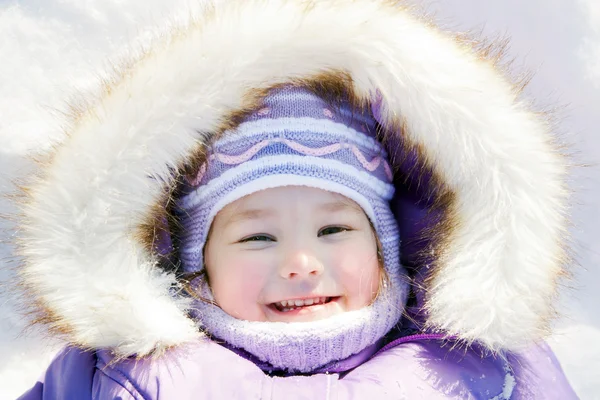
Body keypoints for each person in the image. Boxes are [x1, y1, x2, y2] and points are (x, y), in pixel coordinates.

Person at [13, 1, 576, 398]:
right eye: (257, 237)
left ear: (385, 246)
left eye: (334, 230)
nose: (302, 264)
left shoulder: (491, 369)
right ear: (195, 266)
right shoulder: (114, 375)